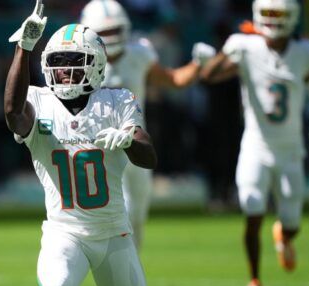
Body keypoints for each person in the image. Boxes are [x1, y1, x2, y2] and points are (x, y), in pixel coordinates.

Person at [4, 1, 165, 286]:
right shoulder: (40, 101)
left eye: (73, 62)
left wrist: (128, 137)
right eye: (58, 62)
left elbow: (149, 155)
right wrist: (23, 47)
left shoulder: (117, 101)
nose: (63, 70)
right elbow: (11, 111)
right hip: (65, 231)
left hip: (112, 234)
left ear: (94, 65)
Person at [200, 0, 309, 286]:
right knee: (251, 205)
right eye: (269, 13)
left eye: (279, 14)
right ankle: (255, 280)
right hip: (256, 145)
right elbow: (209, 76)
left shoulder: (305, 52)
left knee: (292, 221)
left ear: (292, 18)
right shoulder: (245, 46)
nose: (273, 20)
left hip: (290, 149)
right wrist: (218, 57)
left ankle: (284, 236)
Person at [80, 0, 216, 250]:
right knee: (119, 212)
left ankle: (131, 274)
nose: (111, 37)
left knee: (138, 217)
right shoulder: (79, 61)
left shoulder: (139, 54)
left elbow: (173, 80)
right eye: (104, 32)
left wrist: (198, 64)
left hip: (135, 143)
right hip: (99, 148)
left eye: (114, 30)